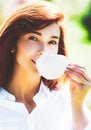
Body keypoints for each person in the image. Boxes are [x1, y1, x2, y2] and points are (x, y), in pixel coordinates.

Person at [0, 1, 91, 130]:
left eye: (52, 42)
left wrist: (77, 104)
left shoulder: (65, 98)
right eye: (33, 38)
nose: (43, 50)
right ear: (13, 43)